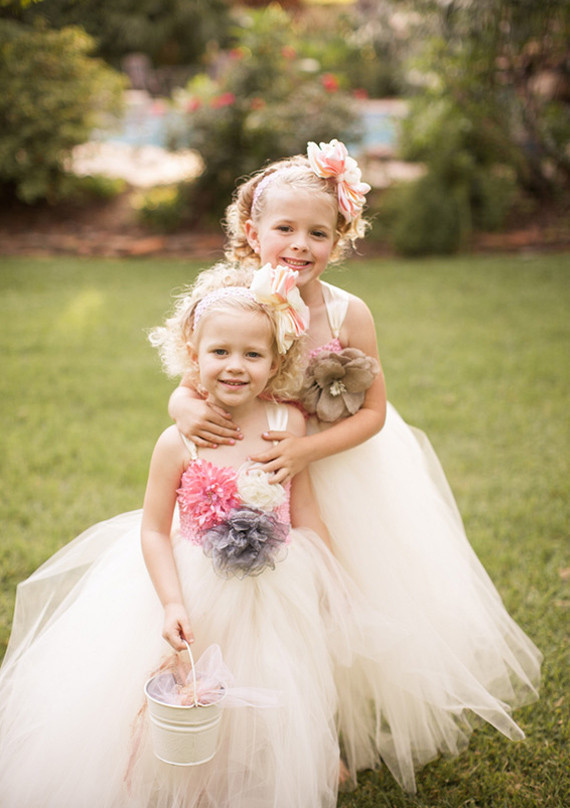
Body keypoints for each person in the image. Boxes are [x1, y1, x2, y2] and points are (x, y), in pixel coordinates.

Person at [168, 139, 543, 792]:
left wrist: (307, 450)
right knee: (257, 609)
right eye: (284, 228)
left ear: (342, 236)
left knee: (334, 613)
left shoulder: (348, 312)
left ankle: (322, 736)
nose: (300, 244)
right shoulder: (236, 299)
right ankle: (254, 731)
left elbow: (372, 413)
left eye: (319, 231)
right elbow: (197, 365)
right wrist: (180, 405)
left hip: (338, 473)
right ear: (252, 231)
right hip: (256, 478)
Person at [0, 265, 389, 807]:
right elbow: (155, 530)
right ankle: (194, 782)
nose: (236, 367)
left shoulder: (287, 425)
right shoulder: (178, 441)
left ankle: (262, 769)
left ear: (277, 362)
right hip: (196, 587)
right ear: (194, 355)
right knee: (196, 692)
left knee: (277, 677)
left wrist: (332, 577)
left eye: (254, 355)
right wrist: (171, 602)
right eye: (220, 353)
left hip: (277, 588)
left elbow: (305, 511)